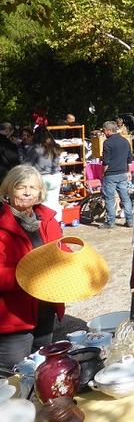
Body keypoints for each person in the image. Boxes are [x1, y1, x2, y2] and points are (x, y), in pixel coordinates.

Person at [0, 165, 64, 370]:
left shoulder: (46, 219)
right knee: (15, 376)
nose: (28, 192)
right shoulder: (2, 224)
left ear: (40, 192)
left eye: (33, 188)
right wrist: (28, 277)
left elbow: (60, 251)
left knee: (44, 369)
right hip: (15, 316)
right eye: (21, 187)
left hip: (45, 308)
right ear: (9, 190)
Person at [24, 126, 62, 223]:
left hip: (42, 178)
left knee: (42, 204)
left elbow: (26, 165)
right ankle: (56, 223)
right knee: (54, 202)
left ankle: (45, 225)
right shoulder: (55, 147)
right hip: (56, 176)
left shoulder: (35, 148)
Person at [100, 121, 133, 229]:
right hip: (123, 173)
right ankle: (130, 221)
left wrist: (102, 173)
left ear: (109, 130)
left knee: (109, 199)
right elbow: (129, 158)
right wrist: (129, 171)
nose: (103, 132)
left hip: (110, 175)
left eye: (104, 130)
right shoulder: (125, 141)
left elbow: (106, 162)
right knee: (125, 198)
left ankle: (111, 222)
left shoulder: (107, 143)